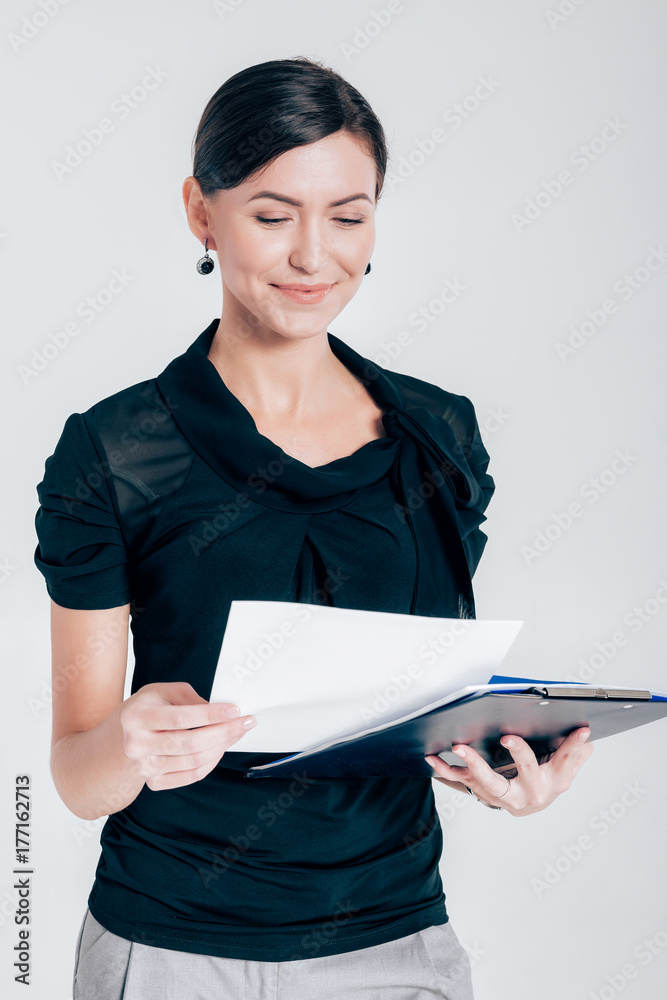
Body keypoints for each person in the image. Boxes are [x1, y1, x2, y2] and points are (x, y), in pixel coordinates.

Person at [33, 56, 594, 1000]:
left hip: (395, 942)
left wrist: (503, 766)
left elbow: (419, 701)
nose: (313, 257)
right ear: (200, 212)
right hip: (170, 946)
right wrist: (130, 742)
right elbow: (76, 775)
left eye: (347, 216)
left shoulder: (438, 434)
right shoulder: (117, 449)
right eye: (271, 215)